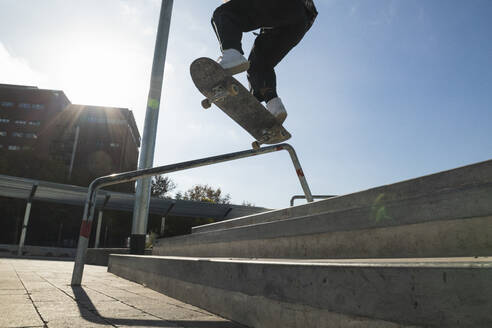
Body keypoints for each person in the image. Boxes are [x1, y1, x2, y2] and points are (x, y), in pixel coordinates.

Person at [211, 0, 318, 124]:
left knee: (224, 13)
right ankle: (273, 105)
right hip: (299, 23)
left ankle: (232, 53)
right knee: (258, 64)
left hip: (286, 6)